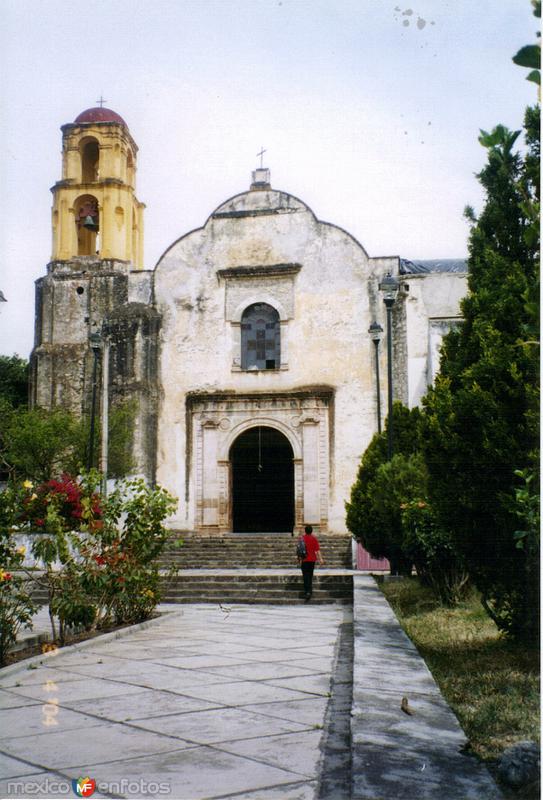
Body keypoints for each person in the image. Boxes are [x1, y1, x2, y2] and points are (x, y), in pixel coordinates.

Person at [298, 524, 324, 602]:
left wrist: (299, 560)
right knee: (310, 575)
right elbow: (317, 550)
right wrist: (321, 559)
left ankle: (307, 591)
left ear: (305, 531)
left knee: (305, 576)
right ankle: (309, 591)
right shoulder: (314, 539)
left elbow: (299, 550)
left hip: (304, 560)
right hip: (312, 560)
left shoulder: (301, 539)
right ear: (311, 531)